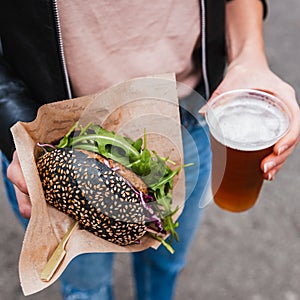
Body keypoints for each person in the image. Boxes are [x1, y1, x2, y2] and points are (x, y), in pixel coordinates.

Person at [0, 1, 299, 299]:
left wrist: (250, 56)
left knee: (165, 264)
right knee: (86, 288)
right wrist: (18, 127)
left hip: (188, 120)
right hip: (62, 144)